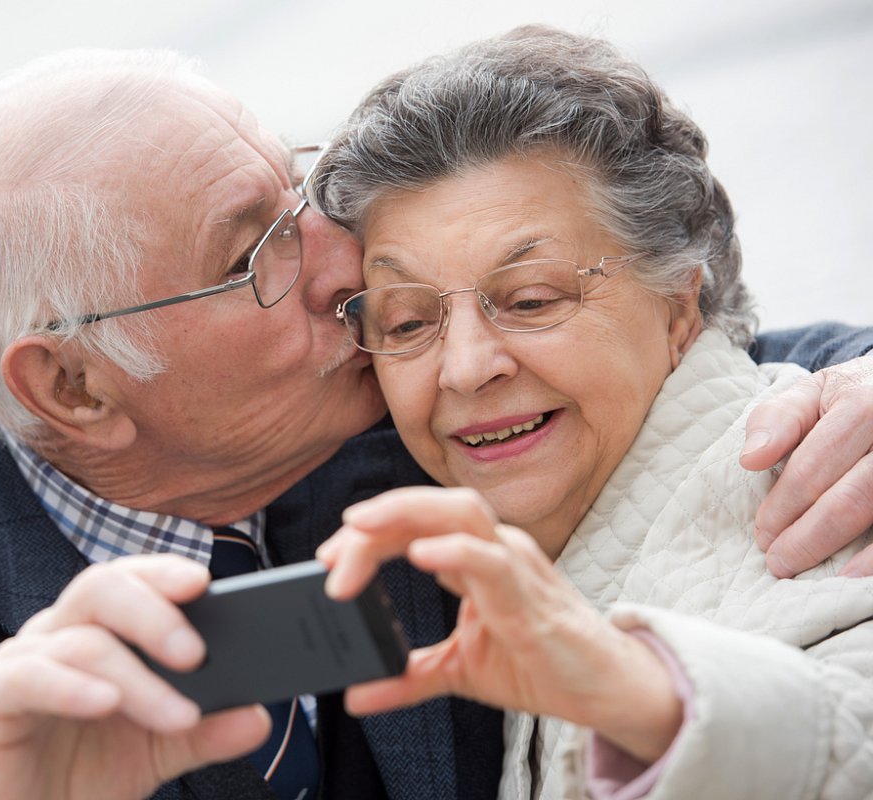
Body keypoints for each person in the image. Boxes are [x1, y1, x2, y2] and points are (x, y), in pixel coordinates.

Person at [0, 46, 873, 800]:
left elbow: (676, 362)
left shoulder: (391, 393)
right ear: (75, 387)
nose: (346, 265)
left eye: (295, 195)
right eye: (252, 252)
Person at [309, 25, 873, 798]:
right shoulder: (390, 524)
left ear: (680, 307)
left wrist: (655, 703)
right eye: (408, 322)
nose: (468, 368)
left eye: (531, 299)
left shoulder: (835, 483)